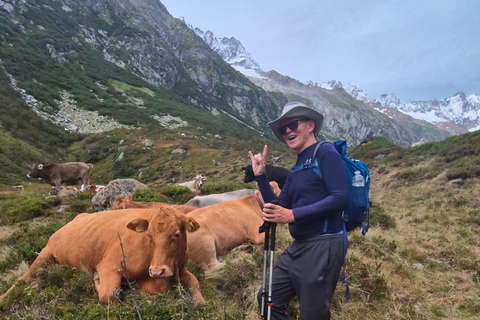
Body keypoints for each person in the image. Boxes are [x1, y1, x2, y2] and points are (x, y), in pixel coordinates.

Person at [249, 101, 349, 320]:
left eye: (293, 124)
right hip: (299, 247)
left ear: (310, 125)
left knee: (312, 314)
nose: (287, 131)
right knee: (267, 298)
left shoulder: (326, 153)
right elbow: (277, 206)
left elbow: (340, 197)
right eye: (283, 128)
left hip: (324, 245)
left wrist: (293, 215)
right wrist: (261, 176)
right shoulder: (296, 169)